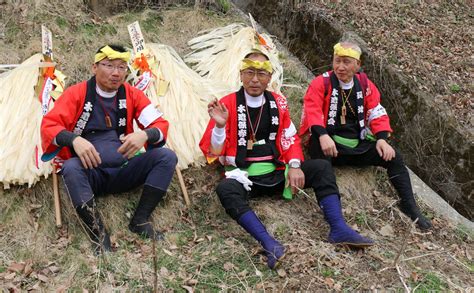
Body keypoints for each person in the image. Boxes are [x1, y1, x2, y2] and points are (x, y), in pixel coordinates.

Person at [200, 50, 374, 270]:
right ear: (241, 75)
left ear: (269, 77)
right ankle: (269, 243)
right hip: (245, 176)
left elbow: (289, 138)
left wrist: (294, 165)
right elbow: (214, 152)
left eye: (261, 74)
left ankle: (338, 228)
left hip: (278, 171)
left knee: (321, 167)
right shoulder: (227, 104)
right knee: (225, 190)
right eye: (250, 73)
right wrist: (220, 125)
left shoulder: (278, 102)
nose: (255, 79)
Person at [41, 45, 178, 254]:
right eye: (109, 66)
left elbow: (160, 125)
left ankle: (140, 220)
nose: (116, 73)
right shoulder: (76, 94)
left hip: (124, 169)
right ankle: (98, 233)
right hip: (91, 174)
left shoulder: (132, 94)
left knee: (166, 157)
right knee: (70, 167)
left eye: (122, 67)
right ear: (94, 67)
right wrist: (74, 140)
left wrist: (144, 134)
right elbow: (49, 127)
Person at [300, 41, 432, 230]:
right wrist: (322, 135)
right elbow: (312, 109)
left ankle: (409, 204)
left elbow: (376, 112)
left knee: (394, 156)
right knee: (321, 161)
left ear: (358, 65)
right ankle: (334, 212)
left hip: (356, 144)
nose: (340, 67)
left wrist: (381, 139)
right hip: (329, 144)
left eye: (346, 62)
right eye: (337, 61)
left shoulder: (365, 85)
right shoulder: (322, 82)